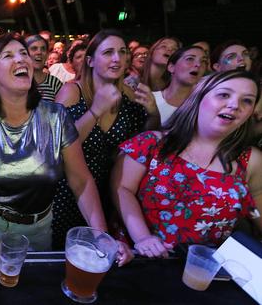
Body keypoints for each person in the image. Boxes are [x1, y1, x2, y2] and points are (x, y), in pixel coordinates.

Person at [0, 34, 131, 265]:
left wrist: (101, 236)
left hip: (38, 231)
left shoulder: (56, 117)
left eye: (23, 54)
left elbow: (81, 182)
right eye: (8, 55)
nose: (21, 60)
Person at [112, 70, 262, 256]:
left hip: (205, 270)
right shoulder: (151, 143)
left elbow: (256, 211)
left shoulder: (250, 160)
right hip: (140, 259)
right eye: (224, 94)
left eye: (247, 100)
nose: (234, 105)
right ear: (198, 97)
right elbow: (122, 189)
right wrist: (143, 238)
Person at [53, 29, 158, 249]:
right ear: (90, 61)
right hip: (68, 191)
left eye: (122, 52)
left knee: (103, 254)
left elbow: (139, 146)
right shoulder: (71, 92)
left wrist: (153, 113)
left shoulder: (129, 95)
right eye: (108, 52)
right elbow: (57, 146)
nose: (117, 58)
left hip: (111, 190)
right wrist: (95, 111)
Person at [152, 46, 207, 125]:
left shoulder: (204, 107)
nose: (198, 64)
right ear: (171, 67)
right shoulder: (151, 99)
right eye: (190, 59)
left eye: (203, 61)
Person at [25, 34, 62, 102]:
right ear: (25, 53)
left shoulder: (55, 83)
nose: (39, 52)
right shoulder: (17, 80)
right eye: (34, 48)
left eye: (43, 49)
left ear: (47, 55)